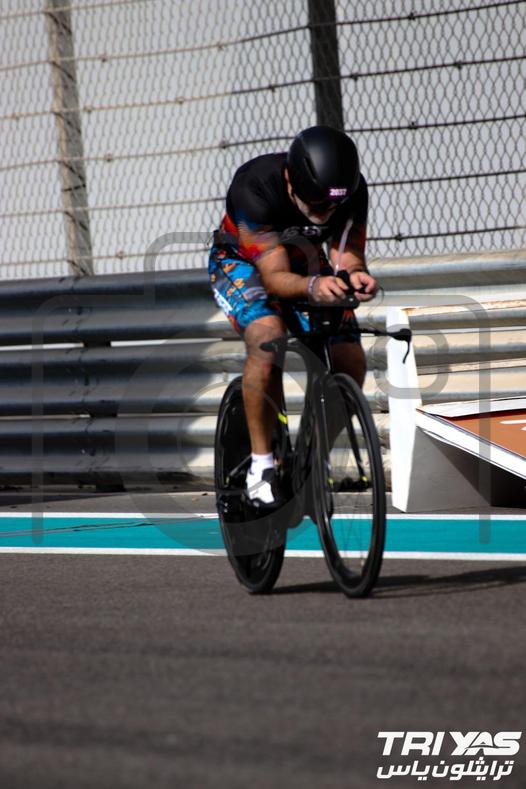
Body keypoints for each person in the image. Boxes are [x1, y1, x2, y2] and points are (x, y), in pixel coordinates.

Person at [209, 125, 378, 506]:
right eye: (315, 205)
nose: (324, 214)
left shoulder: (351, 191)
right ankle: (261, 465)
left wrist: (355, 276)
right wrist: (314, 286)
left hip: (305, 262)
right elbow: (273, 278)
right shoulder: (254, 187)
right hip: (244, 262)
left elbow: (347, 255)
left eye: (331, 207)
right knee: (267, 336)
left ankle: (313, 461)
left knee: (350, 359)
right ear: (290, 181)